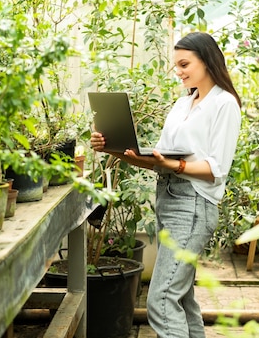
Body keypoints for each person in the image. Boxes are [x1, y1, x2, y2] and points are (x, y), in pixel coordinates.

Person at [90, 32, 241, 338]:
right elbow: (156, 159)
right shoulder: (182, 104)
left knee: (161, 298)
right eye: (176, 65)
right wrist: (113, 148)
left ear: (208, 60)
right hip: (169, 198)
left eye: (185, 64)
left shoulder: (224, 104)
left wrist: (176, 165)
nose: (179, 71)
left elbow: (217, 168)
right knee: (181, 297)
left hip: (194, 204)